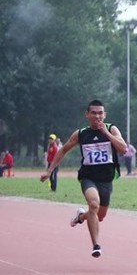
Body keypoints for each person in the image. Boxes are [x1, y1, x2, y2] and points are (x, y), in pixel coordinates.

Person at [40, 99, 127, 258]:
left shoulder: (112, 129)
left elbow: (123, 149)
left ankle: (81, 217)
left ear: (105, 114)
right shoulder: (81, 134)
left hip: (106, 179)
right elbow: (63, 150)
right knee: (93, 204)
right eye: (93, 113)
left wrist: (106, 133)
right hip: (88, 177)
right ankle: (96, 245)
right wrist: (50, 170)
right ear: (87, 115)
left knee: (99, 216)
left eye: (100, 113)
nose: (97, 116)